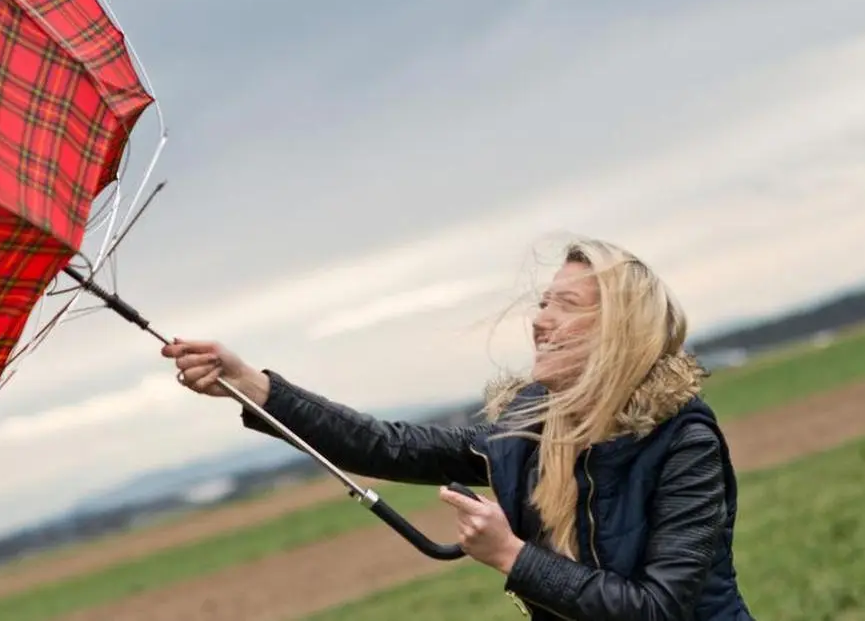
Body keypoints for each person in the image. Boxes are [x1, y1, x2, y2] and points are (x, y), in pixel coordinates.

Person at [162, 237, 754, 620]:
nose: (539, 321)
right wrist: (253, 386)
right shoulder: (525, 432)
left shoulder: (683, 443)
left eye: (565, 305)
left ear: (621, 330)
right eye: (542, 303)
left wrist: (512, 556)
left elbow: (659, 610)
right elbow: (387, 445)